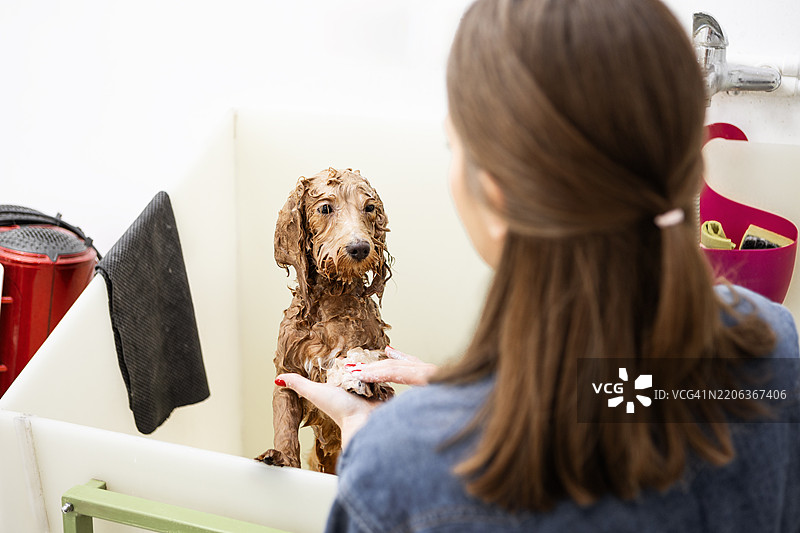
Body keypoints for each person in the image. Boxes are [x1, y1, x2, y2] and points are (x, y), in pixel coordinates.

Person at [275, 0, 800, 530]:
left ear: (498, 195)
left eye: (453, 143)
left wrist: (368, 437)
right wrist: (487, 389)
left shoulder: (402, 468)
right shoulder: (772, 345)